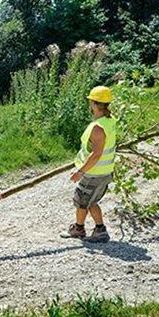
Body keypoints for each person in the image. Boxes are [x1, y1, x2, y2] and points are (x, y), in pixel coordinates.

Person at [66, 85, 117, 243]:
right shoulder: (110, 121)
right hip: (104, 172)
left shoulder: (97, 127)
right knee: (91, 201)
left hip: (94, 173)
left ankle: (78, 229)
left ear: (94, 104)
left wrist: (79, 172)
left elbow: (96, 154)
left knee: (81, 201)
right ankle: (99, 230)